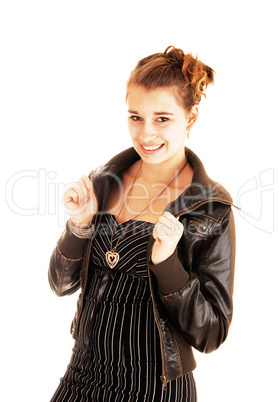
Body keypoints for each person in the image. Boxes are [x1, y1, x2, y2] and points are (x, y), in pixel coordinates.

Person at [48, 45, 236, 402]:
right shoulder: (103, 183)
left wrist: (168, 265)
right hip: (80, 379)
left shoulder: (210, 209)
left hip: (156, 389)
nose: (146, 134)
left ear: (191, 117)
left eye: (162, 118)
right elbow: (60, 284)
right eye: (136, 117)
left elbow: (211, 333)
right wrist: (79, 225)